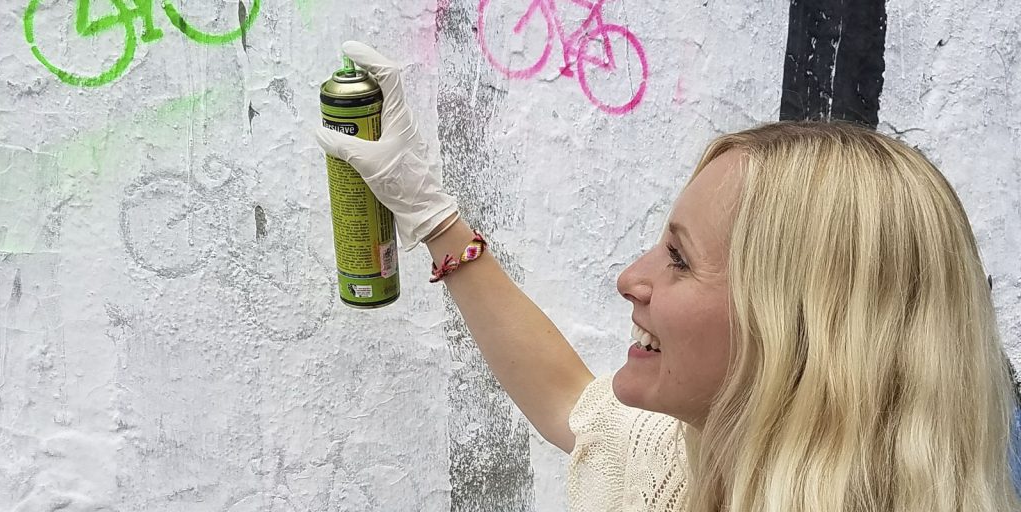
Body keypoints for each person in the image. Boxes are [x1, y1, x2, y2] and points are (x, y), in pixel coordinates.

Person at [315, 41, 1021, 512]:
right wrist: (434, 216)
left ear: (806, 331)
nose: (630, 277)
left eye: (680, 258)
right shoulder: (689, 469)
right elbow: (572, 403)